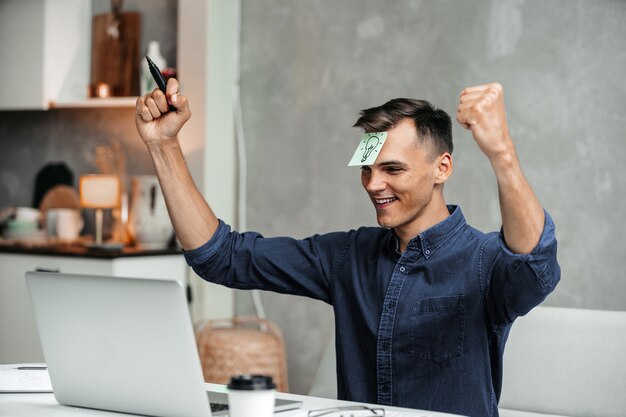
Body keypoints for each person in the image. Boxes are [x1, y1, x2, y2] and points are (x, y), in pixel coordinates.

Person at [135, 80, 560, 417]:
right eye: (367, 170)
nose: (374, 185)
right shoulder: (349, 256)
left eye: (392, 169)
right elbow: (222, 257)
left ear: (441, 168)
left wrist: (501, 152)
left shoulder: (483, 260)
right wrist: (163, 145)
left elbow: (534, 264)